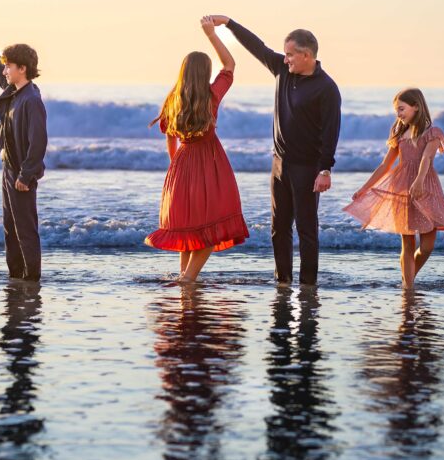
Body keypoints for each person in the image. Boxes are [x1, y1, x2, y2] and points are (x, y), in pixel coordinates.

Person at [207, 15, 341, 286]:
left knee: (306, 230)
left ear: (306, 55)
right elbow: (256, 46)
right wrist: (229, 23)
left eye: (290, 54)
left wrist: (325, 169)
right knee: (278, 229)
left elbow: (331, 133)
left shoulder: (326, 88)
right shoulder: (282, 69)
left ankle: (308, 285)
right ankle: (283, 281)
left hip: (307, 168)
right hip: (280, 165)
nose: (285, 58)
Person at [145, 17, 250, 283]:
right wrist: (211, 34)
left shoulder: (173, 100)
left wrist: (175, 164)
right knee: (209, 227)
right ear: (205, 74)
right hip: (209, 163)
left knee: (188, 230)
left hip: (181, 165)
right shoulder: (211, 96)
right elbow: (230, 65)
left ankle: (184, 277)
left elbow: (169, 136)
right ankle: (188, 279)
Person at [343, 87, 444, 289]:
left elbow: (426, 159)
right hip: (402, 189)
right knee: (407, 244)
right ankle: (409, 288)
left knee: (427, 246)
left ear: (416, 106)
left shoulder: (431, 132)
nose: (398, 114)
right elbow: (385, 165)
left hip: (426, 188)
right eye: (396, 110)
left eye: (401, 109)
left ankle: (408, 279)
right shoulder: (398, 132)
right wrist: (364, 188)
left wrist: (419, 181)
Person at [0, 11, 48, 282]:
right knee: (10, 229)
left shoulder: (31, 100)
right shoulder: (15, 91)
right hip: (9, 169)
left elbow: (38, 142)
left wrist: (26, 176)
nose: (4, 71)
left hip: (22, 173)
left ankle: (32, 281)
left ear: (21, 69)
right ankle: (16, 280)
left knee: (25, 230)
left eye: (8, 66)